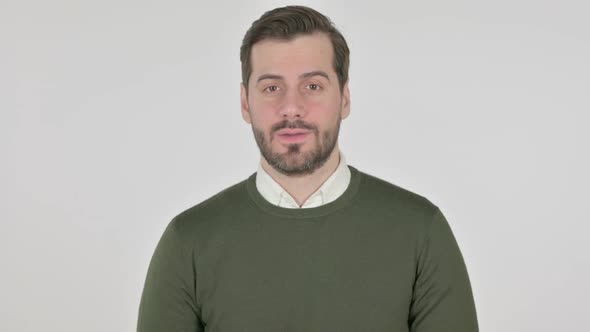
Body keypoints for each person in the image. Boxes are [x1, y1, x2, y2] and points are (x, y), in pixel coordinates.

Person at [137, 5, 479, 332]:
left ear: (344, 98)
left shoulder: (421, 231)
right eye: (272, 88)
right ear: (245, 103)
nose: (291, 107)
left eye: (312, 86)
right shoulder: (188, 242)